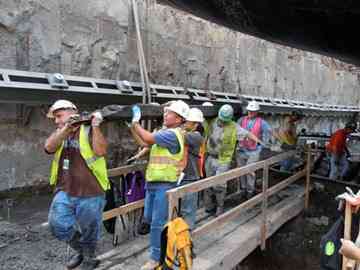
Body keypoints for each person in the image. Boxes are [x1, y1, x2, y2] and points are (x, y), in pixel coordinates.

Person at [45, 100, 109, 270]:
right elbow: (49, 147)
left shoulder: (88, 128)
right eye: (55, 118)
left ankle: (89, 258)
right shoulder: (61, 131)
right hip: (65, 189)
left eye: (59, 116)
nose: (56, 121)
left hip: (91, 190)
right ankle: (84, 251)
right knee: (56, 225)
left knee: (89, 229)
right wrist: (65, 129)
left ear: (72, 111)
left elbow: (101, 151)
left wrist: (95, 126)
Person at [130, 100, 190, 270]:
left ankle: (155, 258)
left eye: (168, 113)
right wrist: (132, 128)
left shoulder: (173, 134)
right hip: (153, 183)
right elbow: (145, 143)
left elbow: (148, 137)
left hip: (165, 184)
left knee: (157, 222)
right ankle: (164, 244)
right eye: (165, 112)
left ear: (179, 119)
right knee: (148, 218)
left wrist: (136, 122)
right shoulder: (164, 132)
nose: (165, 114)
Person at [204, 104, 263, 216]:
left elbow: (247, 133)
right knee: (207, 183)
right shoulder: (213, 122)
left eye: (225, 120)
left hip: (224, 160)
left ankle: (219, 207)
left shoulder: (234, 126)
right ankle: (209, 206)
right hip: (210, 157)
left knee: (219, 185)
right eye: (222, 119)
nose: (223, 122)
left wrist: (258, 141)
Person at [237, 101, 272, 199]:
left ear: (257, 112)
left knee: (250, 171)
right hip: (241, 150)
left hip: (254, 151)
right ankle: (243, 189)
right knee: (241, 171)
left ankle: (250, 190)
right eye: (249, 111)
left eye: (253, 111)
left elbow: (268, 132)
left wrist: (264, 144)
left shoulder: (262, 122)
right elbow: (235, 131)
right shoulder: (241, 120)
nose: (250, 112)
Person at [180, 108, 205, 229]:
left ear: (196, 124)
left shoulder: (196, 136)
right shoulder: (187, 133)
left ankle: (187, 233)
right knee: (181, 207)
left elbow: (179, 136)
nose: (185, 122)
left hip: (190, 176)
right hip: (181, 175)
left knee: (188, 209)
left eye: (188, 121)